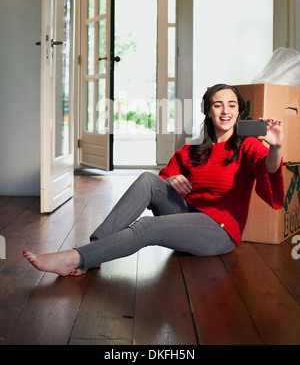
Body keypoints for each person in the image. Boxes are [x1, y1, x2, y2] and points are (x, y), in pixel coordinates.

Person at [23, 83, 284, 277]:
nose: (225, 111)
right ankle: (97, 250)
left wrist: (275, 147)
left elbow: (269, 167)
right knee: (148, 179)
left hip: (219, 230)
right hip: (189, 214)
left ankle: (75, 258)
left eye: (232, 105)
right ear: (208, 111)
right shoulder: (195, 149)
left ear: (239, 111)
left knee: (147, 227)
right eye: (218, 104)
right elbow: (165, 175)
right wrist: (172, 180)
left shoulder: (248, 145)